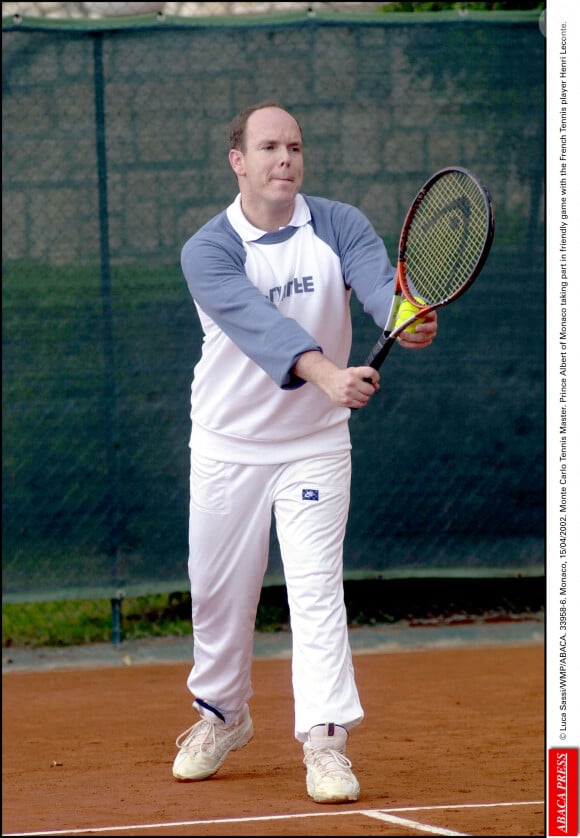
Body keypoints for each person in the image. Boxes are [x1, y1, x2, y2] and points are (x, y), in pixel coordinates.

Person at [172, 101, 438, 804]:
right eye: (268, 147)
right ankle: (223, 716)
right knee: (218, 595)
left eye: (294, 146)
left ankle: (325, 740)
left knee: (317, 589)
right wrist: (329, 377)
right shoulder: (208, 250)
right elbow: (263, 330)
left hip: (314, 447)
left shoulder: (339, 223)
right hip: (228, 447)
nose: (284, 159)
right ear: (239, 162)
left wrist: (401, 320)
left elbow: (380, 285)